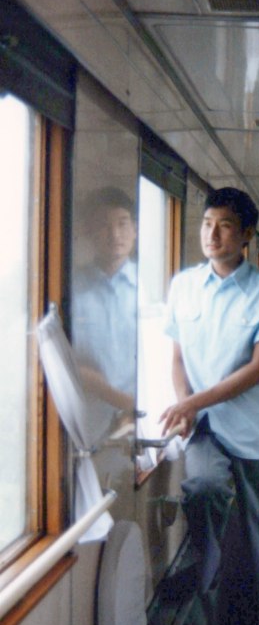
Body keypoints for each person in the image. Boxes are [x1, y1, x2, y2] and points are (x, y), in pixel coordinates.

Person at [160, 186, 259, 625]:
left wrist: (192, 402)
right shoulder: (183, 286)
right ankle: (205, 581)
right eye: (206, 223)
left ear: (247, 235)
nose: (212, 235)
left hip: (256, 429)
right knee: (202, 487)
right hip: (208, 426)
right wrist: (185, 403)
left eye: (225, 226)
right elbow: (177, 357)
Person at [71, 186, 138, 447]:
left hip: (139, 425)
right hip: (83, 425)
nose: (115, 234)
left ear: (135, 229)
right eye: (104, 225)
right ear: (88, 231)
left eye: (122, 224)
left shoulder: (152, 290)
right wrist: (118, 399)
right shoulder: (70, 289)